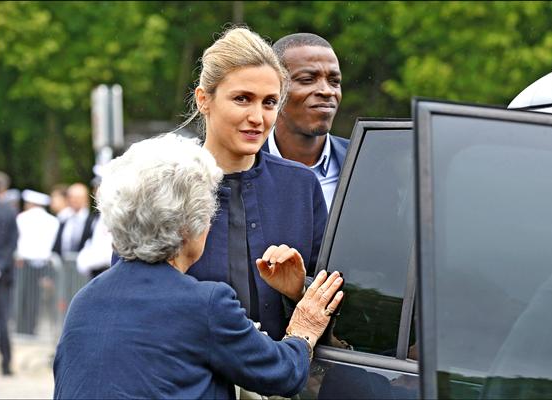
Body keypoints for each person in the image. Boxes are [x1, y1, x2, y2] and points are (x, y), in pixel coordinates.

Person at [53, 134, 344, 399]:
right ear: (187, 227)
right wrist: (303, 328)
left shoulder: (85, 300)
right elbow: (282, 375)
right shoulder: (205, 304)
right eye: (208, 213)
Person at [175, 27, 328, 341]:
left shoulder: (300, 186)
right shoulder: (165, 188)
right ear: (204, 100)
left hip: (284, 378)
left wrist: (298, 289)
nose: (258, 117)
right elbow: (130, 294)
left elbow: (332, 294)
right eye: (242, 99)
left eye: (269, 102)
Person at [263, 33, 349, 211]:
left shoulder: (363, 163)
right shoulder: (242, 166)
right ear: (274, 88)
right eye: (307, 79)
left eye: (334, 81)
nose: (327, 91)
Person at [14, 189, 59, 335]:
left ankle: (22, 328)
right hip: (44, 264)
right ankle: (32, 329)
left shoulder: (22, 217)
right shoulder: (53, 220)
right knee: (38, 299)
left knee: (22, 296)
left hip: (24, 263)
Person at [0, 171, 19, 375]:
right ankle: (6, 364)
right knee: (3, 319)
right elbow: (12, 242)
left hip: (0, 267)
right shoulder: (8, 211)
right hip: (3, 271)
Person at [52, 183, 97, 257]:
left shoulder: (93, 221)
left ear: (86, 199)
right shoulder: (63, 220)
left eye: (78, 197)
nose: (74, 200)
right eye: (71, 197)